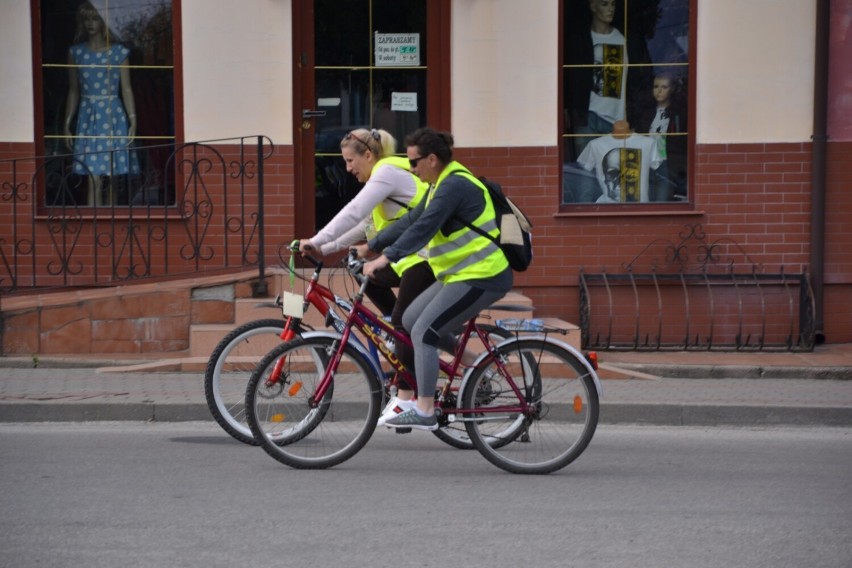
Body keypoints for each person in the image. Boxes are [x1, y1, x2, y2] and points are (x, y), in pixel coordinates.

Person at [360, 127, 513, 431]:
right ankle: (475, 364)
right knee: (410, 320)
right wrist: (371, 245)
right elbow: (410, 220)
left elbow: (424, 228)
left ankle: (425, 408)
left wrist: (385, 257)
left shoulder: (454, 185)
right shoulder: (438, 184)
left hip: (483, 275)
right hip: (460, 275)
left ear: (432, 159)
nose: (411, 168)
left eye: (414, 162)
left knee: (425, 333)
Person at [300, 127, 434, 410]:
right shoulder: (384, 175)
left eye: (350, 161)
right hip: (409, 257)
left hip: (427, 257)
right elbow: (364, 225)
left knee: (403, 322)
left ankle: (406, 399)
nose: (347, 169)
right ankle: (400, 336)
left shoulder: (386, 171)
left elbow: (354, 211)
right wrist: (324, 247)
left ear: (369, 155)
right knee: (367, 274)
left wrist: (315, 239)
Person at [63, 1, 138, 206]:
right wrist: (66, 124)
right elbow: (73, 90)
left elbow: (127, 89)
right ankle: (92, 227)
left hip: (113, 115)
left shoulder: (118, 53)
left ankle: (111, 226)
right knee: (93, 176)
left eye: (95, 18)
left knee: (112, 177)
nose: (90, 23)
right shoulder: (76, 53)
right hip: (88, 117)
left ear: (104, 21)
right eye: (86, 19)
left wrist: (133, 120)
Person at [565, 0, 628, 158]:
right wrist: (568, 107)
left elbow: (628, 80)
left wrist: (625, 117)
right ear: (593, 7)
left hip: (613, 117)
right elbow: (570, 76)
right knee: (584, 172)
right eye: (605, 4)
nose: (610, 9)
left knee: (608, 170)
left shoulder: (621, 40)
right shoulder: (581, 40)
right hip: (586, 115)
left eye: (613, 4)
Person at [577, 120, 660, 203]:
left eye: (629, 173)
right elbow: (586, 179)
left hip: (640, 211)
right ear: (606, 178)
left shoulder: (648, 143)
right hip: (608, 211)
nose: (621, 181)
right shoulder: (595, 145)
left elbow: (658, 177)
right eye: (613, 174)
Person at [635, 72, 688, 201]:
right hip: (646, 162)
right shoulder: (647, 114)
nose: (659, 91)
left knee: (661, 201)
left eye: (664, 87)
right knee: (643, 200)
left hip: (667, 163)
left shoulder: (678, 114)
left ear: (672, 89)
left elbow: (681, 141)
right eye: (656, 87)